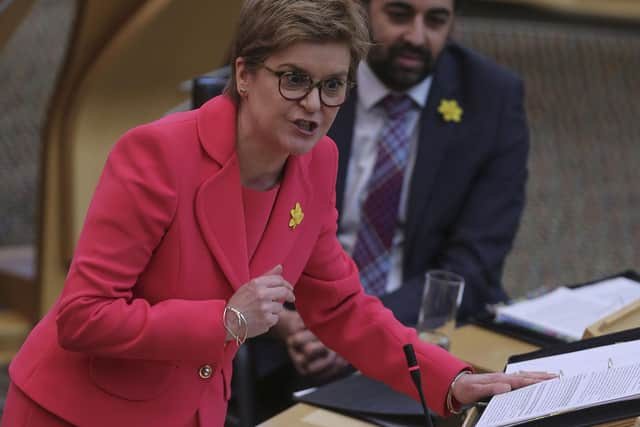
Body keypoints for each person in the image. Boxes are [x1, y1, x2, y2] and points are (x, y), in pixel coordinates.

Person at [2, 1, 549, 426]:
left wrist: (448, 380)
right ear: (244, 75)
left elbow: (342, 308)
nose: (313, 105)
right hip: (79, 414)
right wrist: (225, 321)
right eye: (294, 79)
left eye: (333, 86)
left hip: (193, 411)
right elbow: (82, 316)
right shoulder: (158, 155)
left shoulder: (317, 164)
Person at [274, 0, 530, 386]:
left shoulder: (491, 99)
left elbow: (475, 263)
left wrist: (352, 330)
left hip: (419, 331)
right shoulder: (309, 75)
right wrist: (285, 322)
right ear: (361, 12)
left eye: (436, 20)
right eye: (399, 14)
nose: (416, 36)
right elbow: (244, 224)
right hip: (289, 328)